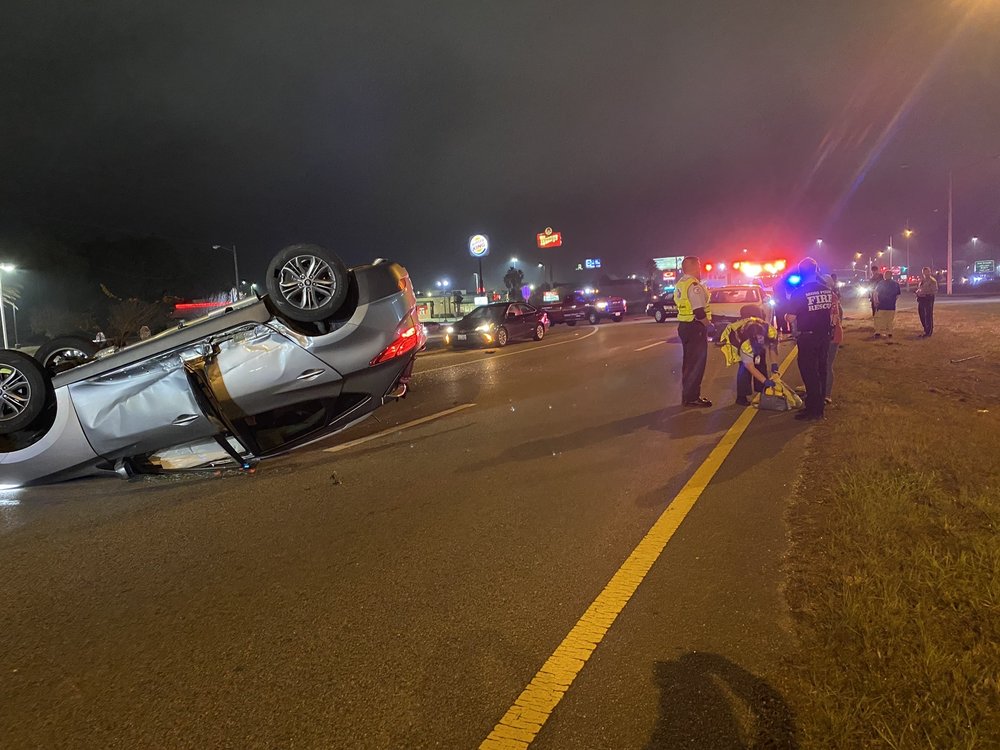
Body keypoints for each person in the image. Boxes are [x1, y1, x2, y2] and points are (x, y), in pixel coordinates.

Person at [787, 257, 834, 421]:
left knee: (809, 373)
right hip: (824, 336)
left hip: (808, 338)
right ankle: (819, 409)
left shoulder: (799, 292)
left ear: (800, 273)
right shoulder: (826, 289)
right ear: (816, 271)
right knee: (821, 371)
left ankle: (812, 410)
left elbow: (791, 318)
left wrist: (787, 314)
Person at [674, 256, 713, 407]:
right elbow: (699, 311)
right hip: (695, 326)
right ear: (694, 267)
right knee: (696, 363)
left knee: (689, 363)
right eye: (699, 265)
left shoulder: (681, 283)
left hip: (684, 325)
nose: (700, 269)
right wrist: (709, 326)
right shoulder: (694, 285)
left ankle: (688, 396)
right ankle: (692, 397)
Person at [825, 277, 843, 404]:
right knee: (823, 365)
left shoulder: (828, 297)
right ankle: (822, 390)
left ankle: (826, 394)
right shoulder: (834, 297)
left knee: (826, 365)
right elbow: (841, 315)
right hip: (834, 334)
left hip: (830, 337)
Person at [873, 270, 901, 338]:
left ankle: (878, 332)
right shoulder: (896, 284)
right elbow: (898, 295)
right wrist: (893, 300)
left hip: (881, 305)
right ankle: (889, 332)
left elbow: (876, 293)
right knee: (889, 320)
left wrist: (876, 301)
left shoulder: (881, 283)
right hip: (891, 306)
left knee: (879, 319)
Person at [915, 266, 938, 337]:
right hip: (921, 299)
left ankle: (928, 332)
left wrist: (924, 292)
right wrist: (918, 292)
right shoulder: (923, 280)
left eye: (927, 272)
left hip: (928, 298)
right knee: (921, 314)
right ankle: (925, 329)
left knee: (928, 315)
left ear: (929, 272)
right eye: (924, 272)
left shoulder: (932, 281)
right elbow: (920, 288)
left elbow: (934, 291)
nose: (925, 273)